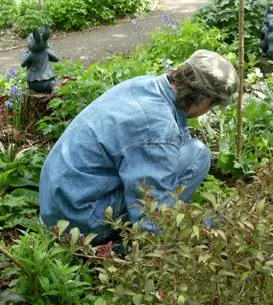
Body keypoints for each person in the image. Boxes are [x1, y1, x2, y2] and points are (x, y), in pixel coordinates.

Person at [39, 49, 239, 245]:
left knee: (189, 150)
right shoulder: (157, 129)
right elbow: (149, 215)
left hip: (57, 204)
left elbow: (176, 139)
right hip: (77, 222)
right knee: (197, 156)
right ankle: (120, 243)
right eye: (212, 105)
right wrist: (209, 226)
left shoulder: (145, 85)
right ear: (204, 100)